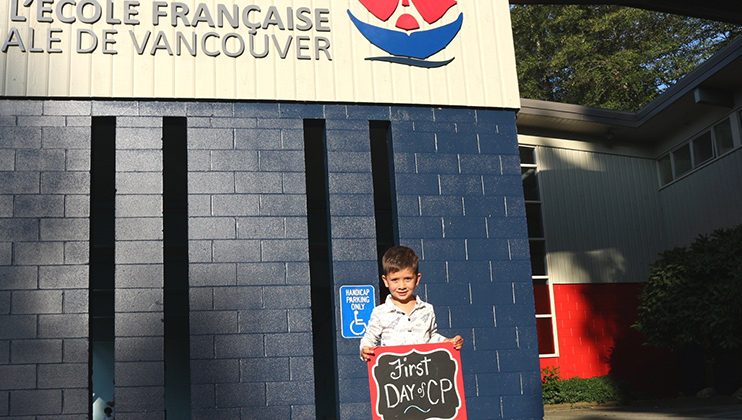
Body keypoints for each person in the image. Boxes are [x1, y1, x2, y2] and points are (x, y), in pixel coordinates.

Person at [360, 245, 464, 362]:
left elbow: (431, 337)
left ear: (417, 279)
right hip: (394, 375)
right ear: (385, 281)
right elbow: (369, 338)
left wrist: (448, 343)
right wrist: (365, 349)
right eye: (395, 280)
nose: (402, 286)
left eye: (408, 279)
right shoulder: (380, 312)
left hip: (423, 372)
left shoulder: (427, 309)